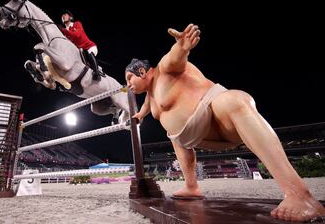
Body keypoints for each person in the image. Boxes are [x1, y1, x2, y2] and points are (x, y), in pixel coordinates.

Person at [125, 24, 325, 222]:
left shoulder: (164, 68)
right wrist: (139, 116)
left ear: (142, 71)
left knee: (235, 100)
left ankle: (298, 194)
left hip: (216, 115)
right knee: (176, 139)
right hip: (194, 136)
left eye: (129, 78)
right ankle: (191, 186)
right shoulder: (150, 95)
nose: (129, 86)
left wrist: (182, 46)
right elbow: (146, 107)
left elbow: (175, 57)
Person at [60, 10, 102, 80]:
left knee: (89, 53)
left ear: (70, 17)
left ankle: (97, 73)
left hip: (90, 47)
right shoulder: (65, 32)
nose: (63, 16)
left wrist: (65, 31)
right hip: (80, 51)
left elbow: (77, 35)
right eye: (62, 16)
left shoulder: (77, 24)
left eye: (65, 14)